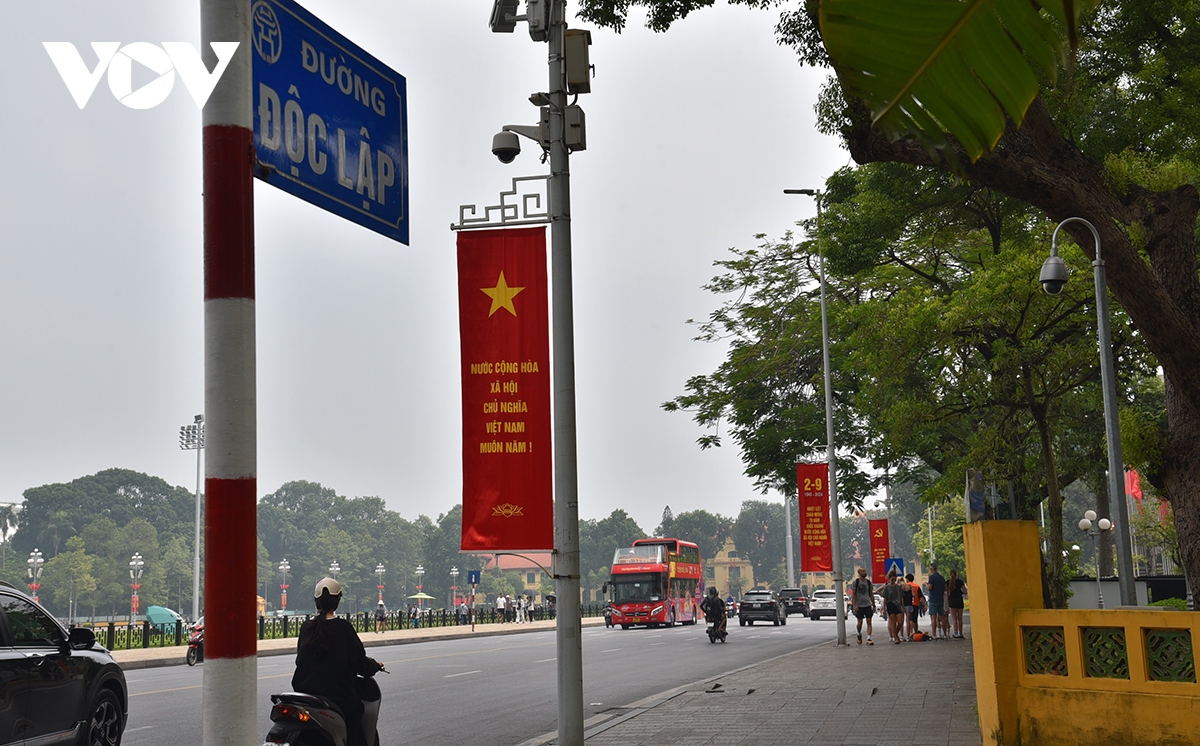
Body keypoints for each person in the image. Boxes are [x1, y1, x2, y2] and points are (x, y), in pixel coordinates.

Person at [292, 578, 383, 746]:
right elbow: (360, 664)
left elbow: (301, 660)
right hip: (336, 695)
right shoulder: (343, 628)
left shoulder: (307, 627)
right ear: (337, 601)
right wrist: (375, 666)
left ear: (316, 601)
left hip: (304, 695)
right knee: (356, 710)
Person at [848, 567, 877, 645]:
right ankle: (858, 633)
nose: (865, 572)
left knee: (869, 621)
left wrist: (873, 605)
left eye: (865, 571)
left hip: (867, 604)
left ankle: (869, 638)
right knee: (860, 622)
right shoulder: (856, 582)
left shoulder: (868, 582)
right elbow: (853, 594)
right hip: (859, 605)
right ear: (859, 573)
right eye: (863, 571)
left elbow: (871, 594)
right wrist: (854, 605)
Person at [880, 570, 906, 644]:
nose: (893, 580)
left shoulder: (898, 587)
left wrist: (903, 606)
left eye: (895, 579)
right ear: (889, 578)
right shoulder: (887, 587)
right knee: (893, 622)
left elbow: (901, 597)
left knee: (900, 622)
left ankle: (895, 634)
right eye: (892, 579)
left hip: (898, 605)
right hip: (890, 604)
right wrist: (884, 608)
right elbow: (885, 598)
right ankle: (896, 638)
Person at [927, 562, 947, 639]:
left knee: (933, 617)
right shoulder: (941, 577)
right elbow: (945, 588)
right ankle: (945, 634)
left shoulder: (931, 577)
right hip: (940, 599)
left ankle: (934, 635)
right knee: (942, 617)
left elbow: (930, 587)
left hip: (933, 599)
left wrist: (926, 585)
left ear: (931, 569)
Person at [947, 569, 968, 638]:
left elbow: (947, 593)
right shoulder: (960, 582)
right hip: (959, 600)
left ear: (950, 574)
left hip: (952, 601)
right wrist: (962, 592)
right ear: (956, 574)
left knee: (954, 619)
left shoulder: (948, 582)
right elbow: (965, 591)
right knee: (960, 618)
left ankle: (955, 633)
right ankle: (960, 633)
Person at [905, 573, 924, 638]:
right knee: (915, 619)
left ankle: (910, 633)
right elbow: (921, 596)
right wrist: (925, 604)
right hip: (916, 604)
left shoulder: (906, 586)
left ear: (907, 579)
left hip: (908, 604)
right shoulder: (916, 586)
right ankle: (916, 632)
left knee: (910, 619)